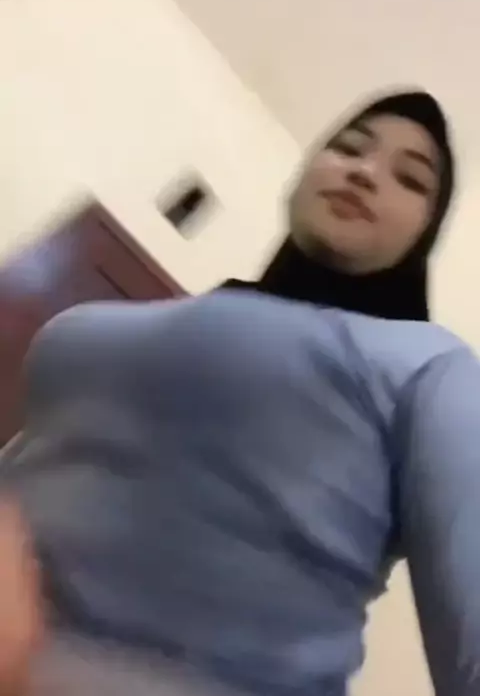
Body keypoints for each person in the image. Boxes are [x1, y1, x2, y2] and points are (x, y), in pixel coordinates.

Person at [1, 89, 479, 696]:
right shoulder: (92, 332)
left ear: (424, 236)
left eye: (410, 179)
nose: (364, 172)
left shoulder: (425, 365)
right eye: (348, 147)